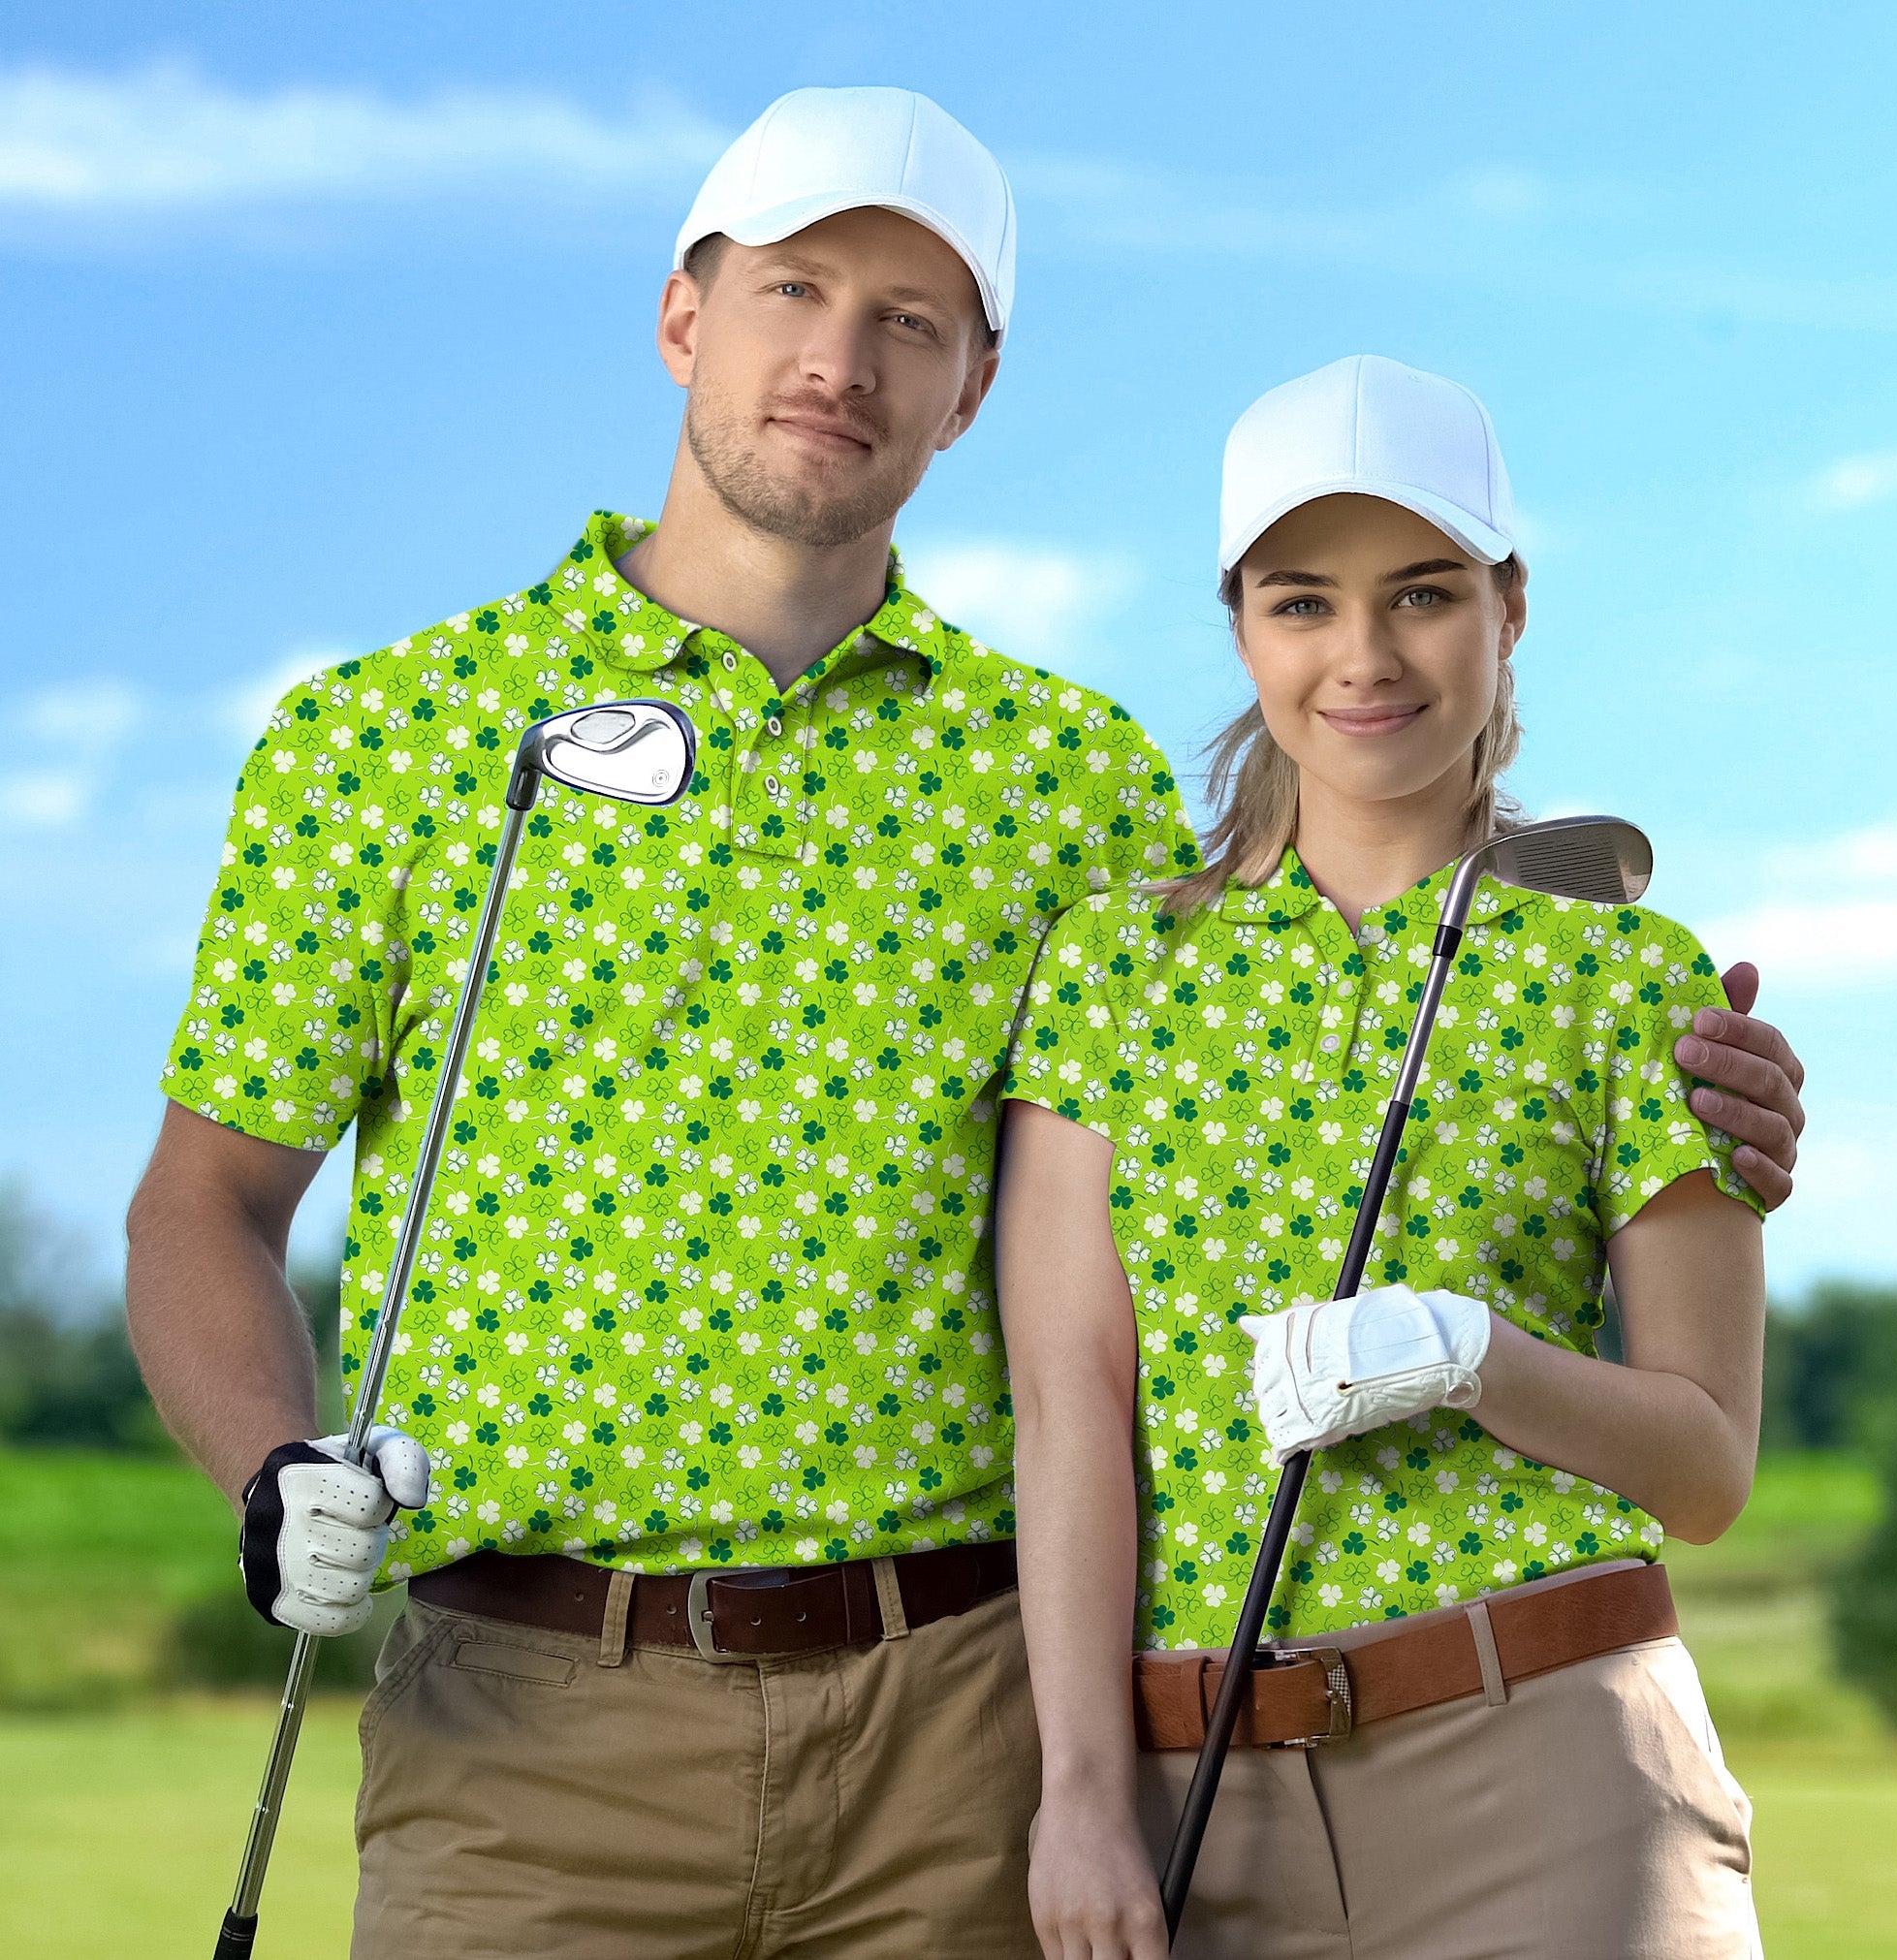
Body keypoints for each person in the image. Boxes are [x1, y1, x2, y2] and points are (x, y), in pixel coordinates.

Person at [120, 84, 1804, 1957]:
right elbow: (204, 1204)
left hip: (960, 1729)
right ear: (683, 315)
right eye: (792, 291)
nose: (839, 360)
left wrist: (1672, 1068)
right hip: (523, 1734)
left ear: (973, 385)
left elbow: (1309, 1020)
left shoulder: (1066, 781)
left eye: (907, 321)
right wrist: (274, 1471)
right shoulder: (388, 739)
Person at [998, 356, 1775, 1958]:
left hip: (1552, 1756)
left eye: (1420, 593)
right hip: (1201, 1793)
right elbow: (1072, 1399)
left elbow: (1702, 1470)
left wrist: (1468, 1353)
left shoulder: (1627, 974)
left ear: (1506, 608)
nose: (1362, 657)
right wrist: (1078, 1787)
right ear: (1237, 626)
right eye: (1302, 603)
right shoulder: (1108, 974)